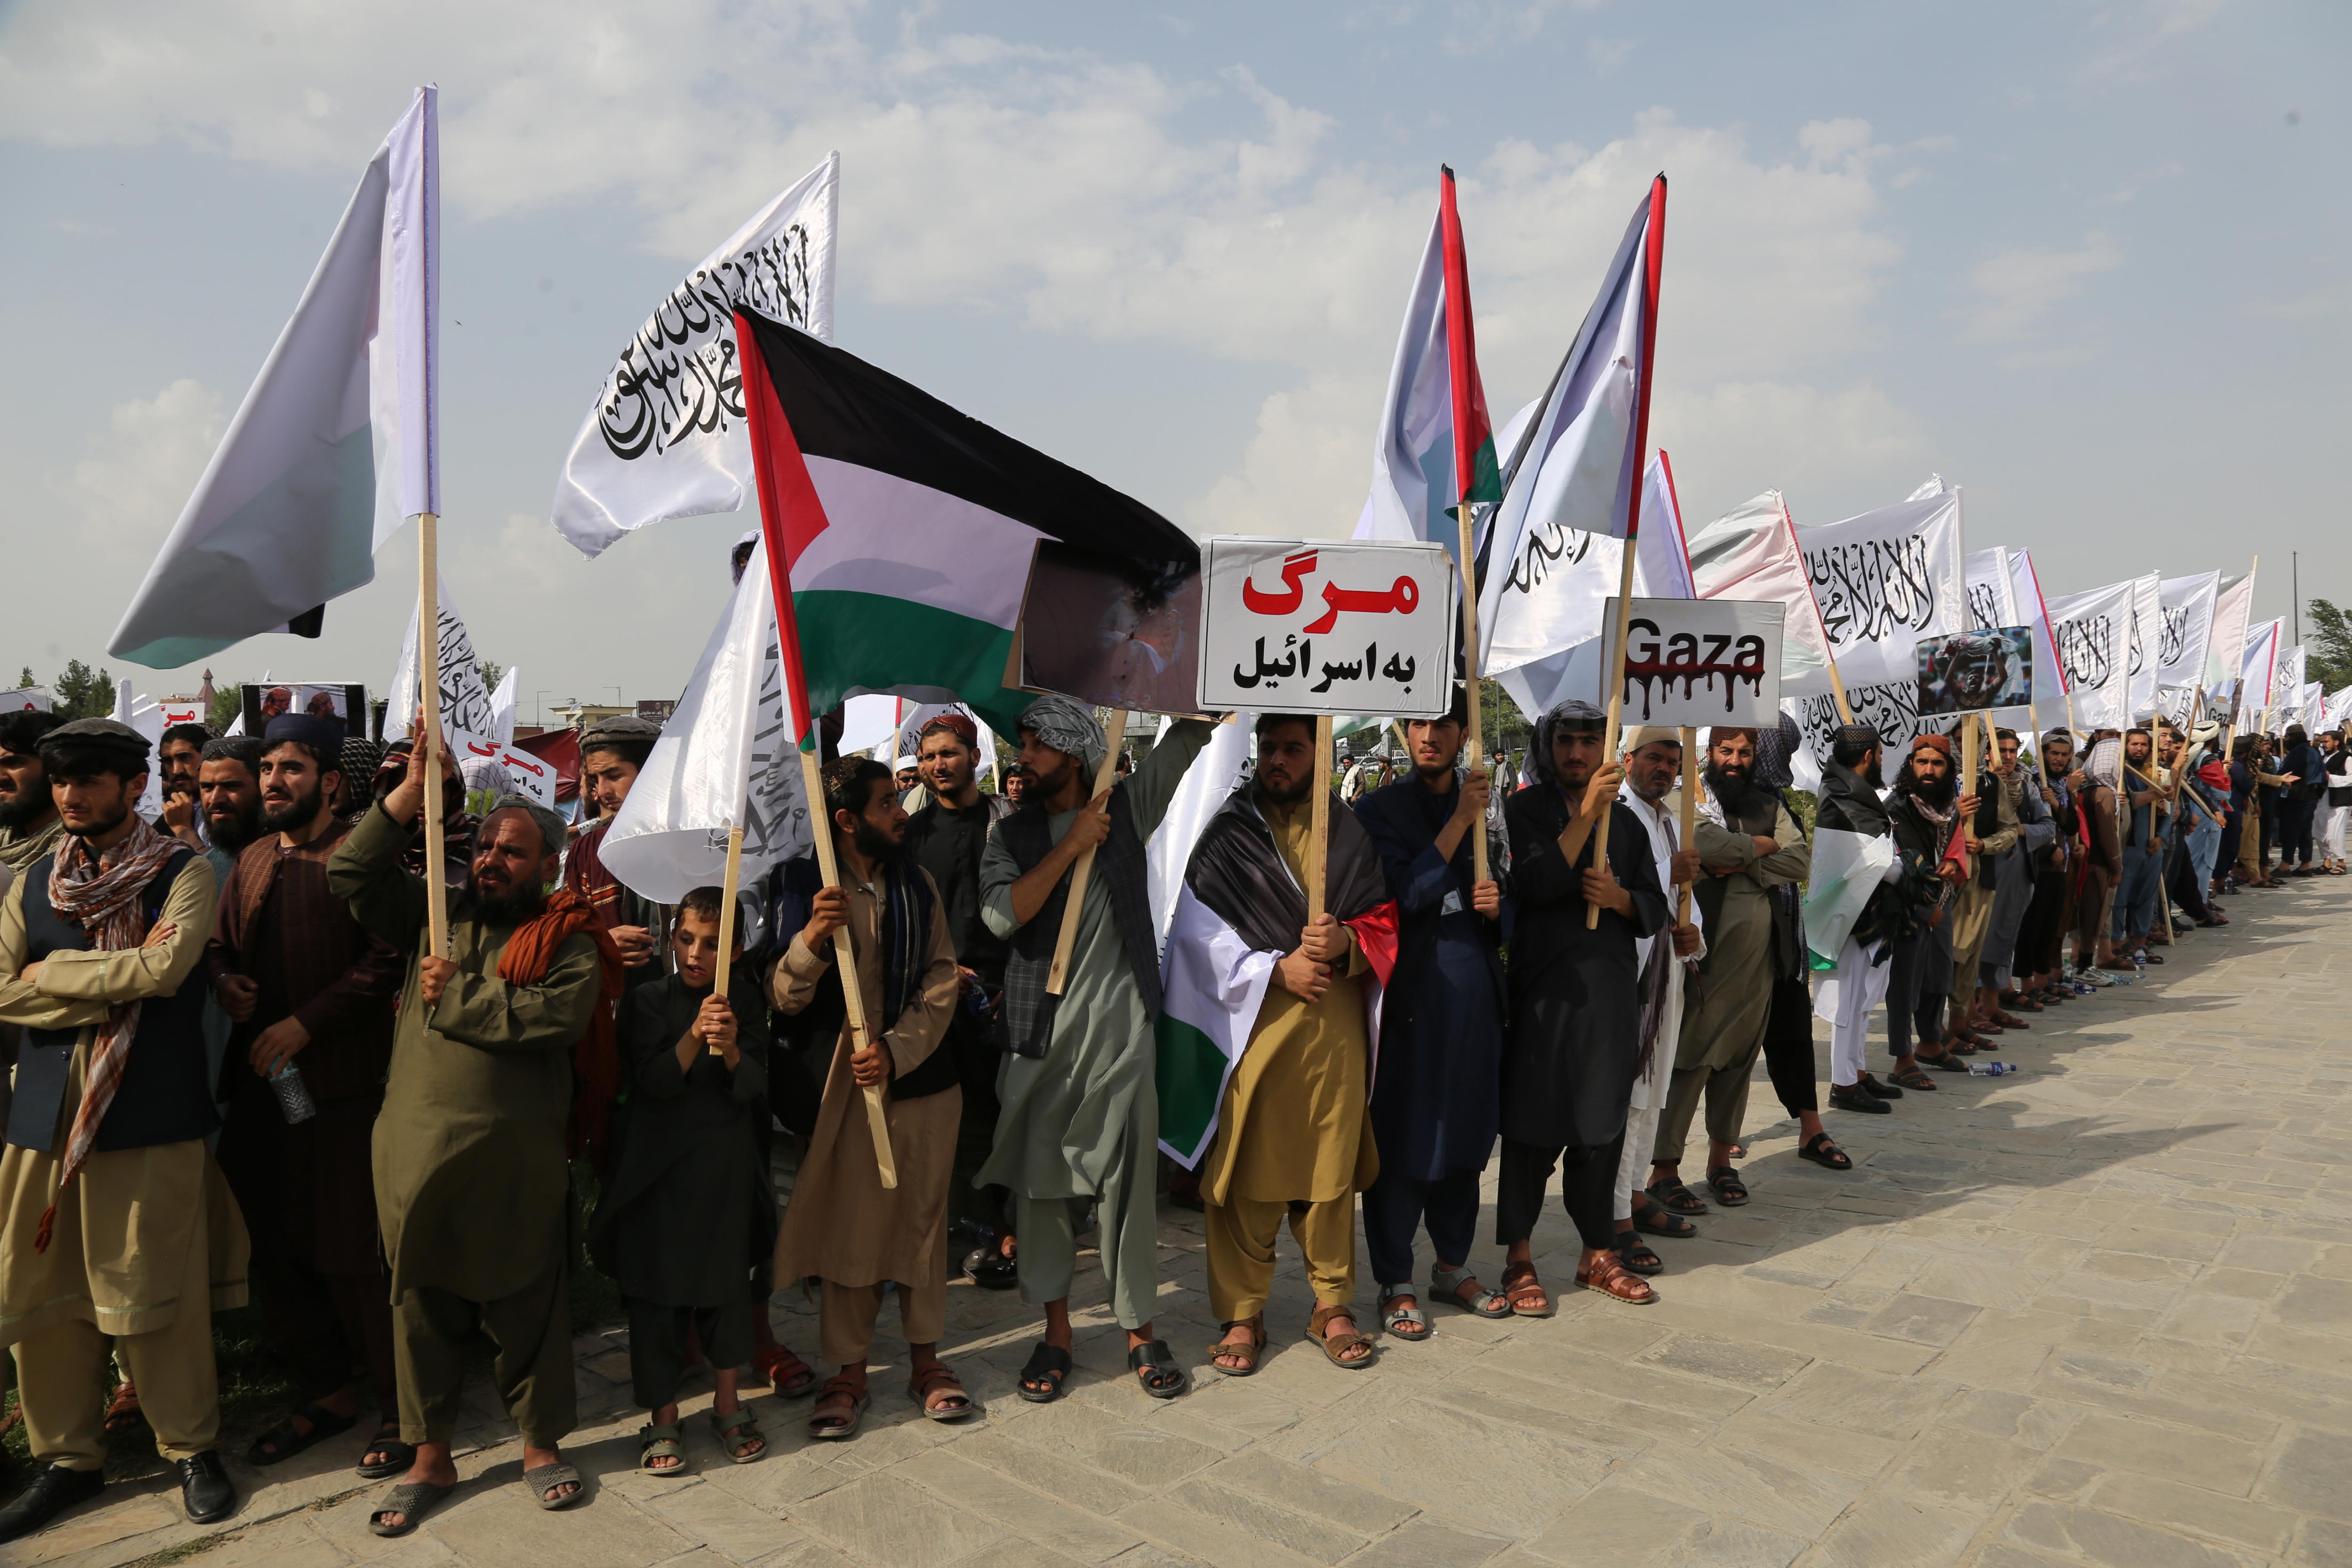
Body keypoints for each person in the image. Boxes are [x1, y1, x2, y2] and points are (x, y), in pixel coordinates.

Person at [328, 759, 618, 1534]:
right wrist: (408, 791)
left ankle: (538, 1444)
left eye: (512, 850)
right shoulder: (434, 913)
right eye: (485, 844)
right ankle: (431, 1455)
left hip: (515, 1155)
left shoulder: (568, 937)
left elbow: (553, 1019)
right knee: (419, 1303)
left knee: (527, 1298)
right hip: (417, 1151)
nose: (491, 858)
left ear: (548, 864)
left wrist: (454, 990)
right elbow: (351, 870)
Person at [0, 719, 239, 1542]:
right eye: (63, 778)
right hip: (40, 1117)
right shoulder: (34, 881)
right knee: (45, 1298)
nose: (72, 793)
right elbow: (0, 987)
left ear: (133, 785)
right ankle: (67, 1458)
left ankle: (190, 1447)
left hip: (147, 1110)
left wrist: (53, 975)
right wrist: (110, 984)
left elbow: (168, 969)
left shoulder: (185, 870)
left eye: (93, 778)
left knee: (153, 1289)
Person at [973, 696, 1213, 1402]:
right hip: (1042, 1047)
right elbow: (1000, 915)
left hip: (1123, 1040)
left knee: (1130, 1192)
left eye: (1037, 746)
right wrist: (1070, 846)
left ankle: (1140, 1331)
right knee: (1043, 1193)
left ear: (1073, 754)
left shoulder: (1127, 810)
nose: (1024, 758)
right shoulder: (1010, 835)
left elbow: (1184, 745)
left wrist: (1203, 692)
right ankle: (1057, 1335)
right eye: (1023, 745)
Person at [207, 715, 408, 1480]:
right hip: (265, 1095)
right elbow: (221, 943)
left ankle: (399, 1407)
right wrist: (225, 981)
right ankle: (327, 1391)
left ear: (328, 780)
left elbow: (389, 957)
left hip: (345, 1090)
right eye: (266, 769)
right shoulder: (255, 855)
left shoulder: (353, 858)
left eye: (289, 768)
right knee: (280, 1245)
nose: (272, 782)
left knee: (356, 1251)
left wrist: (304, 1022)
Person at [771, 758, 970, 1439]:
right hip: (844, 1093)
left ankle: (927, 1363)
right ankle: (848, 1373)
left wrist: (898, 1049)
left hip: (921, 1082)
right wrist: (811, 940)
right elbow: (782, 995)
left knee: (920, 1225)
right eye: (888, 803)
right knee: (854, 1230)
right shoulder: (803, 885)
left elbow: (943, 976)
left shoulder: (917, 882)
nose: (902, 812)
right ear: (848, 820)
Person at [1191, 714, 1392, 1376]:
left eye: (1293, 749)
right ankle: (1242, 1312)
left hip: (1331, 1032)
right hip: (1256, 1029)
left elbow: (1384, 921)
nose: (1279, 760)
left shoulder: (1349, 831)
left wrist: (1347, 944)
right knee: (1247, 1168)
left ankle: (1330, 1305)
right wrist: (1274, 969)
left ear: (1321, 753)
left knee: (1331, 1171)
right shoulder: (1227, 837)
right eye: (1270, 748)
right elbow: (1197, 938)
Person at [589, 887, 778, 1472]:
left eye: (712, 944)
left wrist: (729, 1052)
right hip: (657, 1171)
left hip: (722, 1168)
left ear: (736, 949)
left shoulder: (744, 1000)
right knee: (657, 1294)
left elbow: (752, 1089)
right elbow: (652, 1082)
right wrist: (697, 1036)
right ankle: (664, 1416)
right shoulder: (647, 1001)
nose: (696, 954)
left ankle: (727, 1403)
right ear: (671, 939)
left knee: (724, 1287)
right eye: (686, 940)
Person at [1496, 699, 1668, 1311]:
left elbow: (1654, 905)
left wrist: (1620, 898)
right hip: (1545, 995)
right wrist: (1585, 816)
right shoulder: (1523, 809)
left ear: (1604, 749)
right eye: (1565, 741)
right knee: (1531, 1126)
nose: (1575, 753)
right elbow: (1535, 881)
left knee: (1602, 1128)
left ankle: (1598, 1252)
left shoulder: (1626, 826)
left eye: (1587, 743)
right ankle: (1518, 1257)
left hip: (1609, 994)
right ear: (1550, 746)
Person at [1350, 687, 1510, 1338]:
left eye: (1441, 722)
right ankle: (1395, 1276)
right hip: (1411, 1001)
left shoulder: (1485, 806)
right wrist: (1454, 827)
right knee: (1405, 1137)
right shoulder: (1375, 810)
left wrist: (1499, 904)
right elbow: (1397, 897)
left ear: (1462, 729)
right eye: (1416, 722)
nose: (1427, 735)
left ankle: (1452, 1263)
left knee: (1466, 1140)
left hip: (1473, 1000)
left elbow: (1506, 903)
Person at [1646, 726, 1808, 1217]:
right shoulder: (1682, 799)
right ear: (1708, 753)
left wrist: (1739, 862)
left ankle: (1720, 1162)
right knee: (1692, 1060)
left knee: (1738, 1060)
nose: (1734, 760)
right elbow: (1707, 849)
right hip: (1705, 958)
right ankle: (1664, 1169)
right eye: (1725, 751)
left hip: (1760, 959)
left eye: (1743, 752)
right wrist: (1753, 850)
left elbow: (1800, 859)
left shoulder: (1766, 802)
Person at [901, 713, 1018, 1290]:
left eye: (948, 754)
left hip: (1005, 993)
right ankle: (962, 1229)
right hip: (938, 995)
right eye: (927, 758)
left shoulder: (1010, 823)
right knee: (949, 1117)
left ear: (974, 756)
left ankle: (1006, 1228)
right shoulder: (912, 835)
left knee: (1004, 1114)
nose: (937, 766)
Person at [1607, 729, 1714, 1272]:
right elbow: (1626, 892)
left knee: (1654, 1093)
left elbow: (1681, 903)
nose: (1663, 769)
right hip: (1631, 974)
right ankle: (1615, 1218)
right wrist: (1667, 878)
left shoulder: (1668, 819)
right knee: (1631, 1095)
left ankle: (1634, 1194)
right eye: (1652, 758)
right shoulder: (1614, 817)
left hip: (1666, 971)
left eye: (1672, 762)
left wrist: (1693, 934)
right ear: (1627, 759)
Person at [1810, 724, 1907, 1117]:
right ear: (1869, 756)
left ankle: (1858, 1071)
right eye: (1881, 754)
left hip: (1868, 912)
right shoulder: (1841, 796)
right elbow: (1872, 858)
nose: (1882, 761)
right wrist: (1907, 870)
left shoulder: (1852, 792)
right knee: (1847, 1002)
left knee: (1865, 1000)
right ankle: (1843, 1084)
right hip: (1847, 915)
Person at [1883, 735, 1973, 1084]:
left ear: (1948, 768)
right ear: (1911, 765)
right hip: (1911, 905)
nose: (1929, 770)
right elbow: (1903, 862)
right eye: (1922, 762)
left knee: (1937, 976)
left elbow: (1952, 846)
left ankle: (1931, 1042)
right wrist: (1925, 908)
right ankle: (1902, 1059)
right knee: (1905, 983)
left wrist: (1953, 863)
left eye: (1937, 763)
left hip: (1941, 899)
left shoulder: (1948, 806)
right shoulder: (1898, 807)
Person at [2108, 728, 2169, 965]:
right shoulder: (2121, 774)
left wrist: (2161, 837)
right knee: (2120, 898)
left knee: (2146, 899)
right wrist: (2155, 794)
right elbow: (2129, 801)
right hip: (2127, 846)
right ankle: (2116, 945)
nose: (2138, 749)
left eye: (2143, 745)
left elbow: (2168, 812)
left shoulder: (2157, 774)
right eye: (2134, 744)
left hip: (2151, 847)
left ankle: (2141, 945)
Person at [157, 721, 214, 852]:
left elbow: (219, 870)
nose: (176, 770)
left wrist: (183, 829)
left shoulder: (223, 809)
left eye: (185, 758)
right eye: (168, 761)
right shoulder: (171, 815)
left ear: (208, 757)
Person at [2278, 724, 2325, 875]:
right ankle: (2306, 864)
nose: (2285, 740)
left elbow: (2286, 773)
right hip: (2310, 797)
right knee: (2305, 831)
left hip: (2298, 797)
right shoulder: (2313, 750)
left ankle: (2285, 865)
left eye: (2287, 737)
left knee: (2291, 830)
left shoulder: (2299, 752)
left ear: (2292, 737)